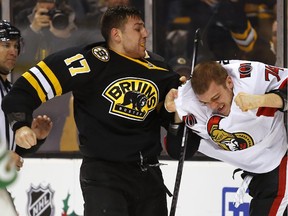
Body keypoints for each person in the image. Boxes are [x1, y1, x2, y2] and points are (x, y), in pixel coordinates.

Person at [2, 6, 181, 216]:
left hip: (149, 177)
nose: (146, 33)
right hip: (105, 175)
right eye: (138, 28)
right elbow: (25, 89)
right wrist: (21, 124)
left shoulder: (160, 69)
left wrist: (178, 113)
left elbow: (179, 139)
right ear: (117, 34)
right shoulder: (88, 61)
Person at [164, 60, 287, 215]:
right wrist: (176, 114)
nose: (213, 106)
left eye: (216, 97)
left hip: (279, 160)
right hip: (255, 171)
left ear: (229, 82)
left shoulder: (251, 78)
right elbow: (179, 151)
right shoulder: (189, 102)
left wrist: (262, 100)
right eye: (205, 102)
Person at [0, 20, 53, 216]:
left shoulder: (12, 92)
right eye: (6, 45)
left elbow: (13, 151)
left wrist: (35, 138)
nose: (13, 51)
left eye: (16, 45)